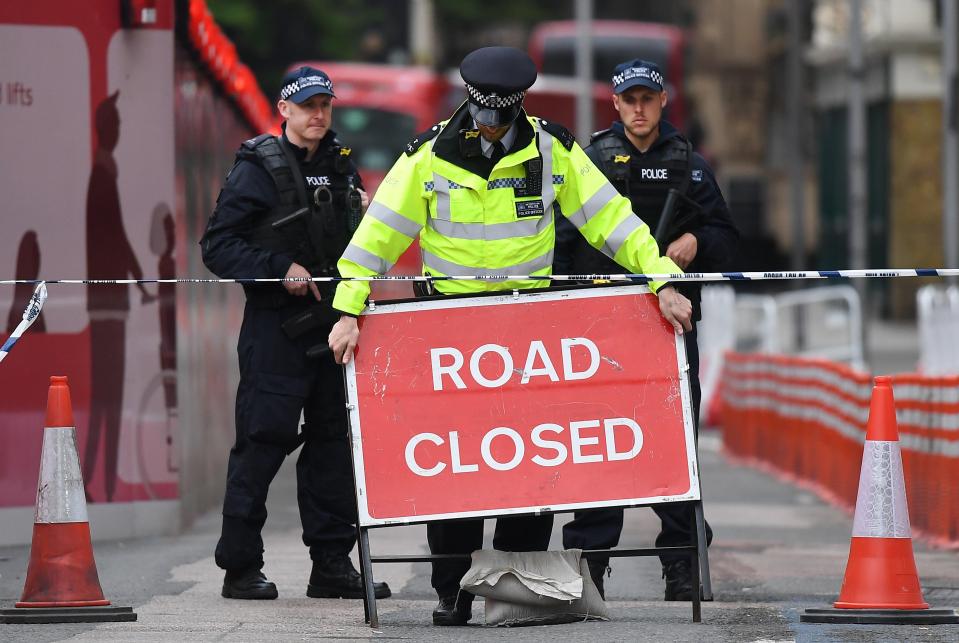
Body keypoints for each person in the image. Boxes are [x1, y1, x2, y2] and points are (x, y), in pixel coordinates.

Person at [326, 46, 694, 626]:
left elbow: (613, 221)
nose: (492, 128)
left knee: (532, 465)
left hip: (527, 334)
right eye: (483, 116)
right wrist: (349, 309)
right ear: (470, 105)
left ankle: (521, 590)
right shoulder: (427, 158)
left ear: (518, 106)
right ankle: (453, 592)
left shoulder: (551, 149)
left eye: (502, 117)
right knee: (454, 470)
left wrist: (662, 281)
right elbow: (377, 239)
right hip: (449, 335)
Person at [201, 66, 390, 601]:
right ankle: (240, 569)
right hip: (275, 332)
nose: (318, 115)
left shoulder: (342, 164)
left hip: (334, 329)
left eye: (325, 105)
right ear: (283, 110)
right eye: (307, 106)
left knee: (333, 447)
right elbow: (217, 246)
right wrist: (276, 266)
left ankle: (330, 565)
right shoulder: (257, 168)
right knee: (261, 445)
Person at [555, 59, 739, 601]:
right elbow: (561, 243)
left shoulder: (690, 166)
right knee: (599, 446)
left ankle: (682, 562)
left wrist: (697, 243)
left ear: (663, 102)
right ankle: (589, 565)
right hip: (602, 332)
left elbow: (731, 245)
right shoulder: (588, 161)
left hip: (669, 328)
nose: (638, 108)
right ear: (615, 103)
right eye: (629, 99)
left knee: (675, 445)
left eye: (648, 98)